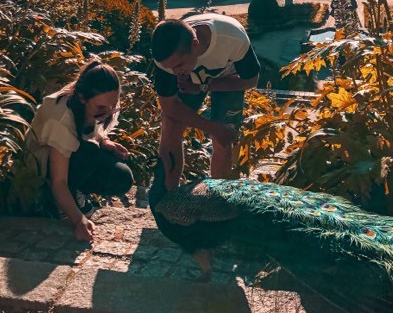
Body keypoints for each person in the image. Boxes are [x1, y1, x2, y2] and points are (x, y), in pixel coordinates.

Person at [27, 58, 134, 242]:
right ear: (82, 98)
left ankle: (78, 192)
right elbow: (59, 181)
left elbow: (94, 129)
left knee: (122, 177)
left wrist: (105, 141)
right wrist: (78, 220)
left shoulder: (98, 102)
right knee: (89, 154)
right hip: (43, 168)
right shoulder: (62, 117)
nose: (108, 112)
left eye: (112, 106)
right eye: (101, 107)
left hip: (76, 154)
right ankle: (59, 204)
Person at [152, 14, 260, 190]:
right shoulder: (168, 57)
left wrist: (205, 86)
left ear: (195, 45)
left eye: (178, 65)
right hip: (192, 80)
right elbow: (170, 107)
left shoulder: (232, 38)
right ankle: (168, 193)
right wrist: (213, 127)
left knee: (224, 138)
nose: (174, 71)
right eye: (169, 67)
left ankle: (219, 196)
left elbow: (250, 80)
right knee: (171, 126)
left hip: (228, 77)